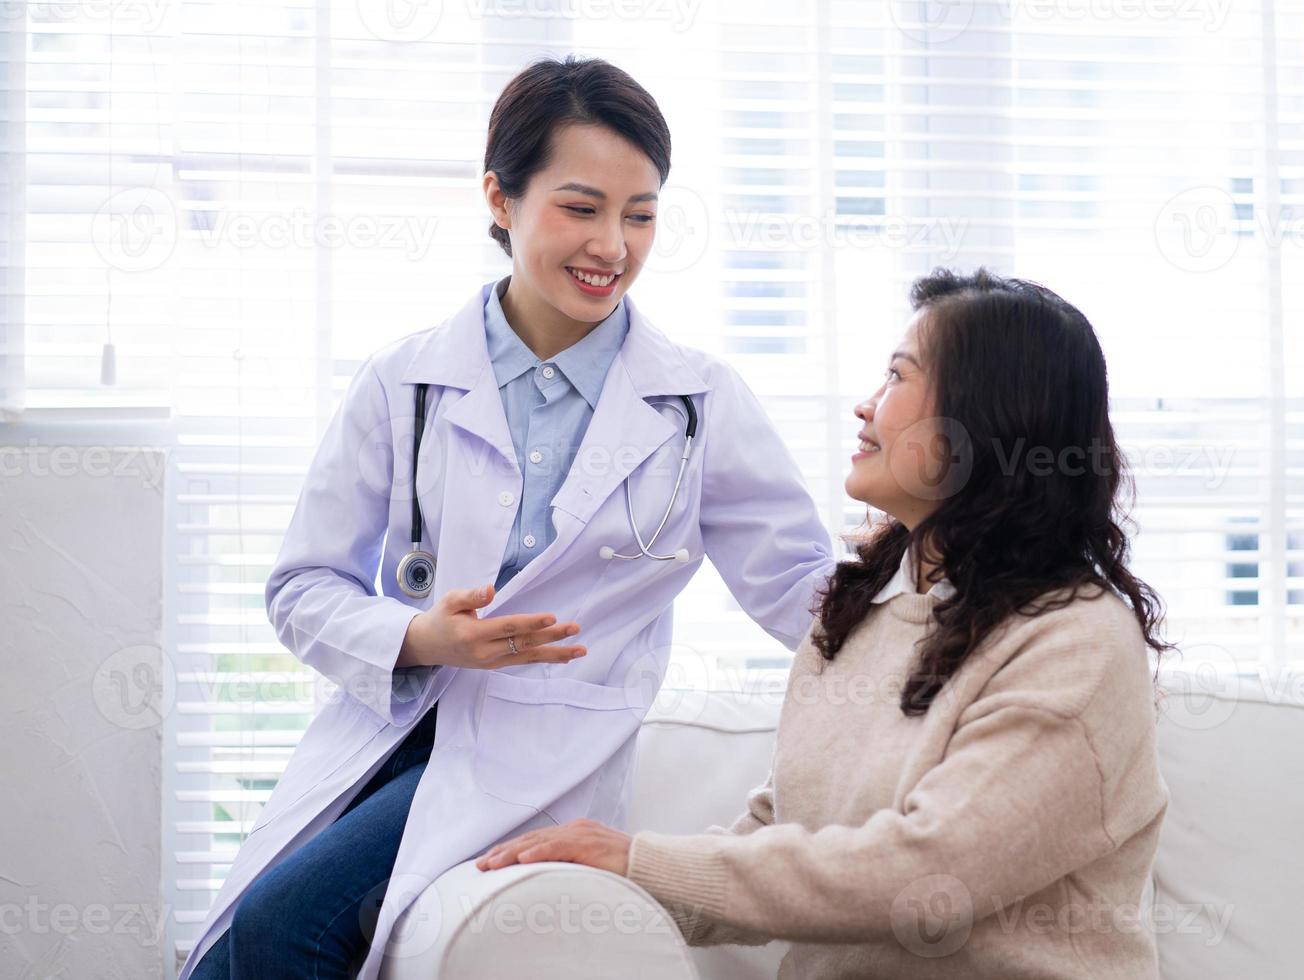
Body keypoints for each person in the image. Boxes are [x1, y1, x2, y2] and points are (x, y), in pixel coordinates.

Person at [182, 56, 833, 980]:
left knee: (285, 926)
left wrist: (965, 599)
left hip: (541, 753)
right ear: (500, 197)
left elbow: (805, 592)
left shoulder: (698, 405)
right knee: (238, 946)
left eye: (640, 214)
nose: (613, 244)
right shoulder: (405, 383)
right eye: (581, 207)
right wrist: (420, 633)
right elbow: (300, 587)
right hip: (392, 730)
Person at [479, 267, 1174, 979]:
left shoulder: (1075, 640)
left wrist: (637, 859)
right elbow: (778, 840)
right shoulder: (858, 610)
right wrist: (588, 881)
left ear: (985, 417)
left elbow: (929, 876)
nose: (865, 408)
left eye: (898, 378)